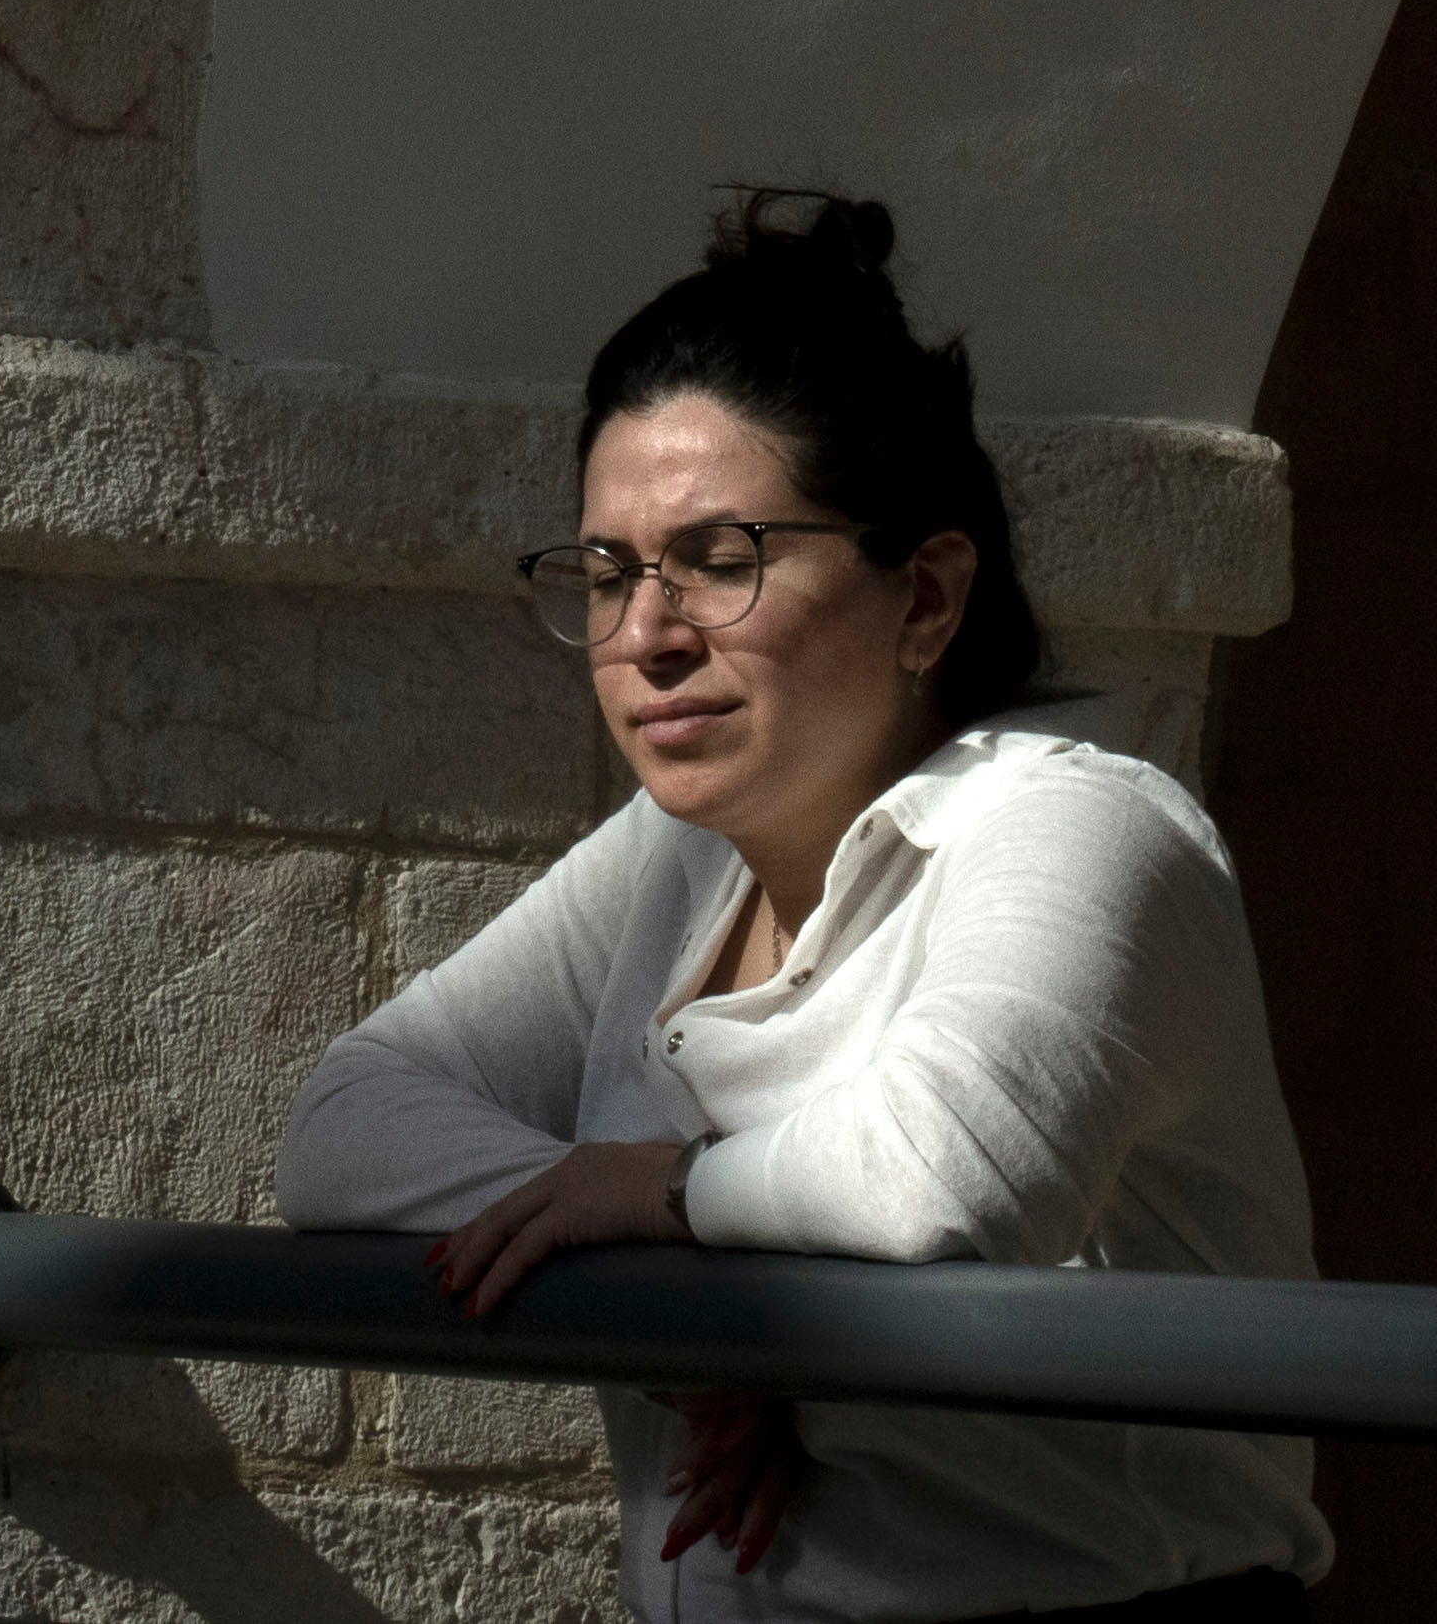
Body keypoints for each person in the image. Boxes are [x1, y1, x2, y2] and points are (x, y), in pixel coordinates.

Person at [277, 193, 1331, 1618]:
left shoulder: (1076, 824)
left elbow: (950, 1175)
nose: (645, 635)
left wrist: (665, 1196)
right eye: (606, 573)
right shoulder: (674, 855)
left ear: (927, 597)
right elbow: (345, 1126)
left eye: (722, 561)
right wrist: (708, 1313)